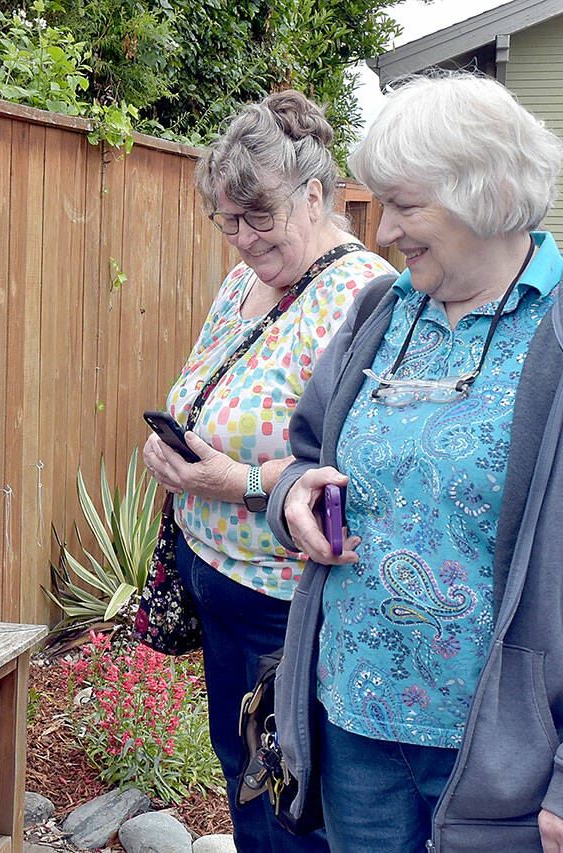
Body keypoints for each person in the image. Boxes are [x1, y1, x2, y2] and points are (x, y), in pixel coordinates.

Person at [265, 72, 563, 853]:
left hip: (506, 765)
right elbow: (301, 455)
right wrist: (294, 495)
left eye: (405, 203)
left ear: (488, 191)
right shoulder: (382, 313)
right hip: (354, 728)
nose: (384, 227)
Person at [141, 90, 394, 851]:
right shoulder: (244, 283)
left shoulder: (365, 297)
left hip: (284, 608)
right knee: (240, 770)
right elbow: (214, 395)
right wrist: (177, 449)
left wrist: (234, 482)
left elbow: (358, 479)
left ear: (314, 195)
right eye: (228, 220)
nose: (243, 239)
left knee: (286, 796)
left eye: (259, 217)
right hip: (217, 579)